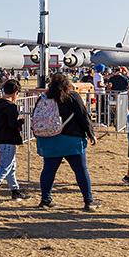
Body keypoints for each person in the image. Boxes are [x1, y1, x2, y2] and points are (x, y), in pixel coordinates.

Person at [34, 73, 99, 211]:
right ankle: (88, 201)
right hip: (72, 139)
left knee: (48, 171)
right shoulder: (72, 96)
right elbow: (83, 115)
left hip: (50, 140)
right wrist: (90, 133)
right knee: (81, 171)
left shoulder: (44, 98)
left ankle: (45, 199)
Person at [0, 79, 29, 204]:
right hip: (8, 138)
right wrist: (20, 122)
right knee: (5, 167)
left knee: (11, 166)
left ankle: (15, 190)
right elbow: (12, 124)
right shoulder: (12, 107)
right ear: (15, 93)